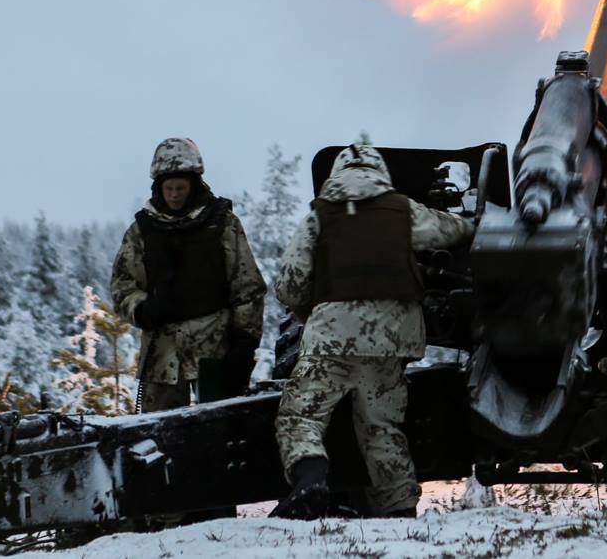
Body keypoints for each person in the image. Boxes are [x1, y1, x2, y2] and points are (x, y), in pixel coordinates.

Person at [270, 143, 474, 520]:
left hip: (331, 339)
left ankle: (310, 481)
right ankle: (398, 511)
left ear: (336, 174)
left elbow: (290, 284)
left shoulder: (320, 215)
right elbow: (451, 230)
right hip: (389, 340)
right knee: (382, 428)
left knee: (300, 415)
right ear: (381, 173)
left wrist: (310, 310)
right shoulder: (401, 209)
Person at [112, 137, 267, 411]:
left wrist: (244, 342)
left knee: (223, 427)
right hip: (162, 355)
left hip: (215, 349)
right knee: (156, 431)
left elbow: (247, 288)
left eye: (180, 188)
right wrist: (143, 309)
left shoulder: (222, 224)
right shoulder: (141, 231)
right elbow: (122, 285)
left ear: (194, 185)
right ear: (158, 187)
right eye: (169, 188)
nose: (174, 195)